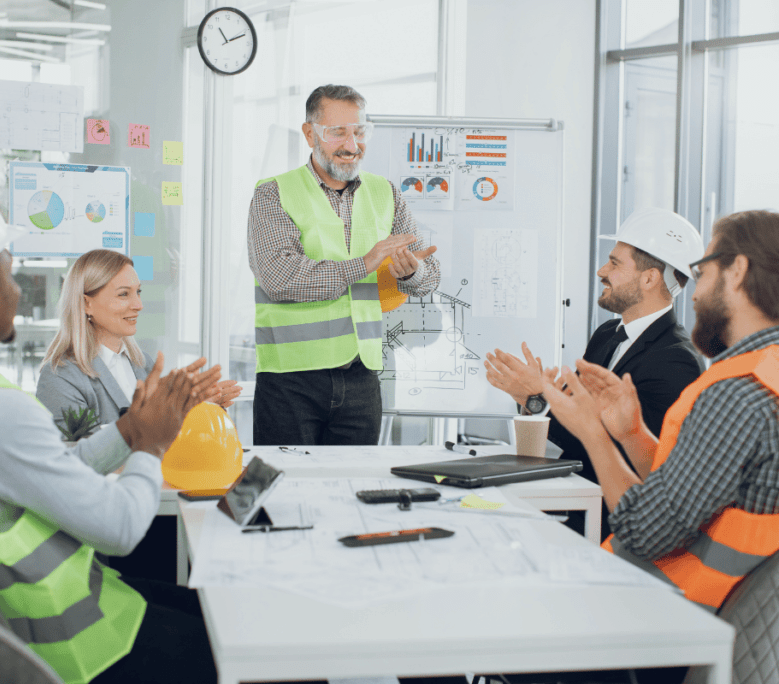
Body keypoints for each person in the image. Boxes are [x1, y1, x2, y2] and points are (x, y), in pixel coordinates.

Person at [0, 183, 219, 683]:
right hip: (77, 648)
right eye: (8, 267)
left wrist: (130, 432)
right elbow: (121, 528)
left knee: (211, 608)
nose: (19, 284)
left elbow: (46, 470)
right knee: (232, 634)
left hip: (7, 630)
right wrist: (152, 444)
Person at [542, 209, 779, 617]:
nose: (696, 292)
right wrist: (632, 433)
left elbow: (641, 531)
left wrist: (593, 433)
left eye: (703, 272)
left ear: (737, 271)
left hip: (661, 616)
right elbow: (689, 494)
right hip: (696, 615)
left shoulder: (738, 395)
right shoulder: (764, 375)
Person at [484, 209, 705, 536]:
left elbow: (636, 462)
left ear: (649, 278)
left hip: (612, 525)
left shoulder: (676, 361)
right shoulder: (607, 334)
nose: (602, 271)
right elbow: (577, 430)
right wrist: (533, 397)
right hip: (573, 503)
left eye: (615, 263)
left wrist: (539, 395)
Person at [247, 83, 440, 446]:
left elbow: (430, 275)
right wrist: (366, 263)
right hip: (290, 378)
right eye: (338, 132)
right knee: (289, 493)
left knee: (356, 488)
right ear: (310, 134)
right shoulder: (273, 192)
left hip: (361, 377)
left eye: (359, 131)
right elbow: (279, 277)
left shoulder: (387, 193)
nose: (352, 145)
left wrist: (412, 272)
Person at [36, 248, 241, 433]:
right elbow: (80, 457)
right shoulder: (59, 377)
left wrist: (195, 409)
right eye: (123, 294)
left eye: (138, 292)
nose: (138, 304)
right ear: (86, 304)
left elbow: (165, 439)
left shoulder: (142, 364)